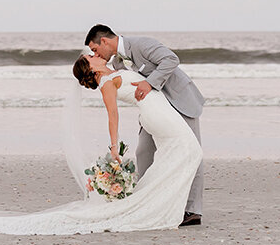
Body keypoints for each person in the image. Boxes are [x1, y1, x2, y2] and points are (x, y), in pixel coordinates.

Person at [0, 41, 203, 234]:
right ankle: (163, 207)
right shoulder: (106, 84)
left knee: (185, 154)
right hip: (157, 115)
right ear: (91, 69)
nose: (95, 54)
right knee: (188, 152)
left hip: (159, 112)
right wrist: (114, 148)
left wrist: (114, 61)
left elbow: (126, 65)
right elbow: (113, 118)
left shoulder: (112, 72)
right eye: (92, 56)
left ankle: (167, 205)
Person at [85, 24, 205, 227]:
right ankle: (148, 202)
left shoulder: (141, 44)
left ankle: (192, 210)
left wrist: (149, 83)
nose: (96, 54)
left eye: (95, 49)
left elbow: (171, 60)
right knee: (143, 151)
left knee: (190, 150)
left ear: (104, 41)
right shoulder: (117, 64)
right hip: (156, 111)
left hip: (179, 100)